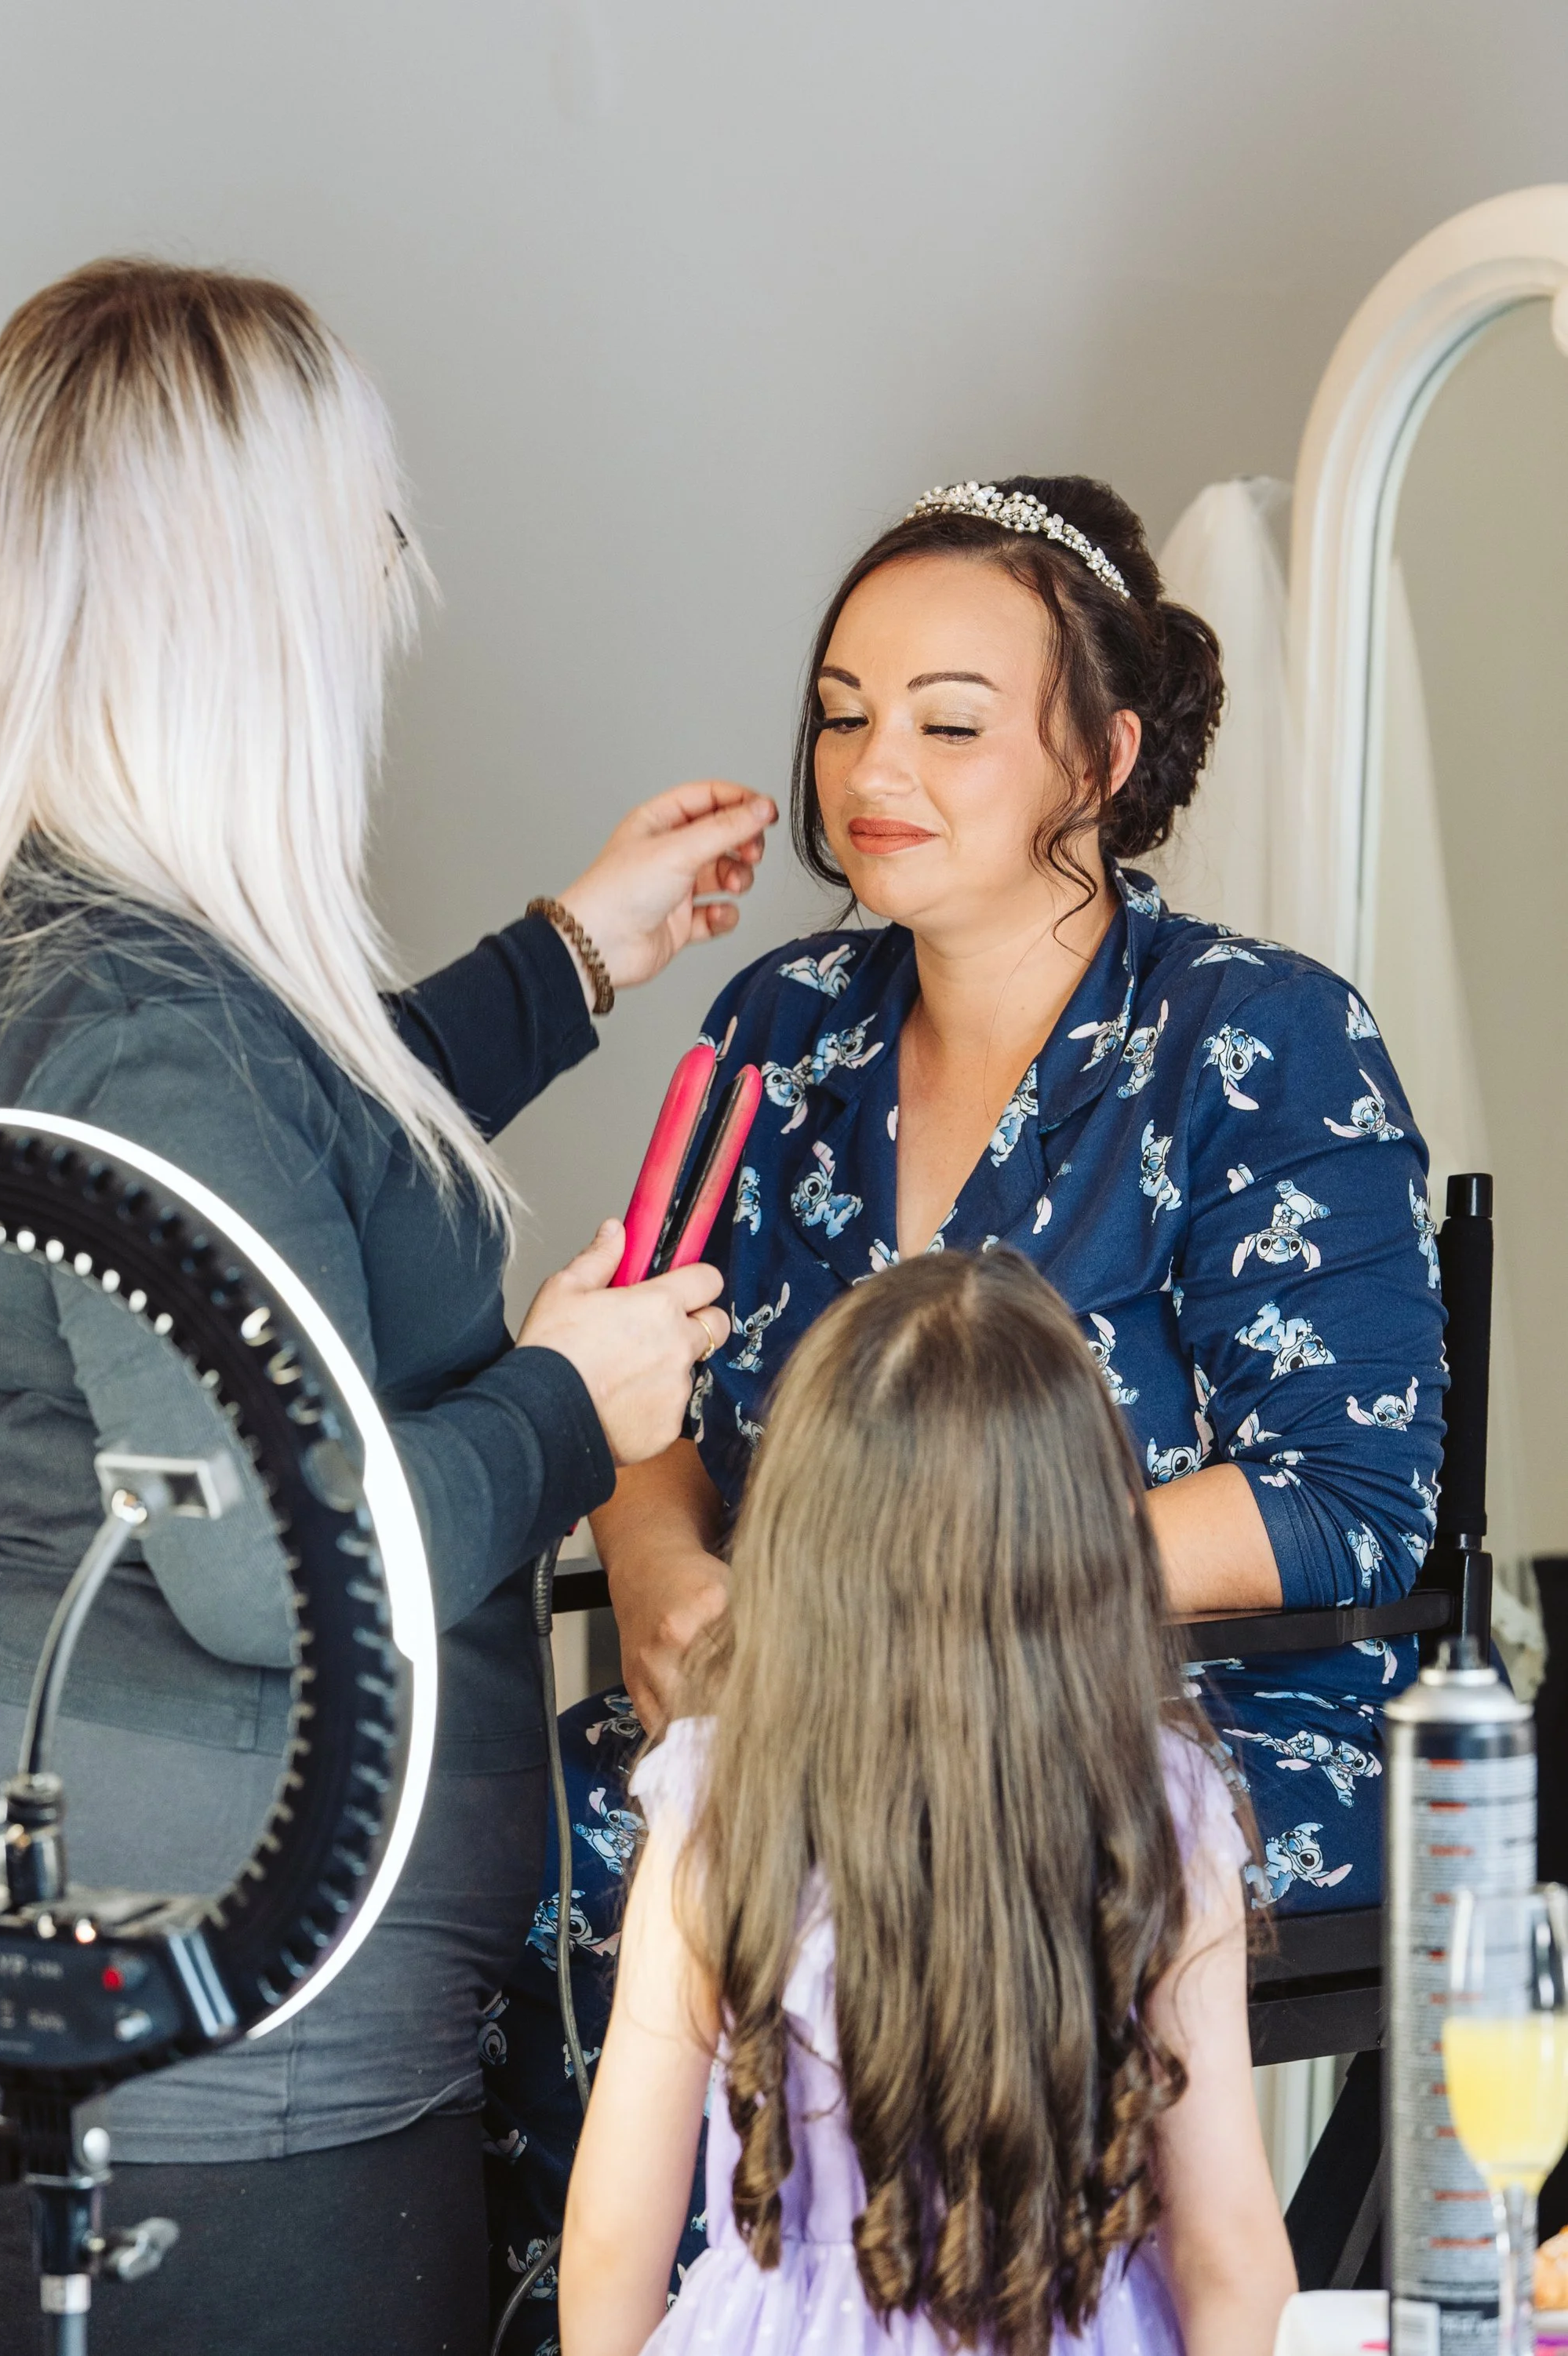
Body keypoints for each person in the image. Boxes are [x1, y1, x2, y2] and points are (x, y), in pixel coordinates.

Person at [0, 259, 777, 2356]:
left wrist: (565, 959)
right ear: (256, 592)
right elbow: (272, 1578)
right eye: (366, 537)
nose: (395, 586)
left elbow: (252, 1170)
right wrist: (575, 1397)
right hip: (201, 1992)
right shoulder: (146, 1021)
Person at [486, 475, 1444, 2315]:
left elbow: (1334, 1494)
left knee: (818, 1863)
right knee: (508, 1839)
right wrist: (679, 1571)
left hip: (1151, 1719)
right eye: (842, 711)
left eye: (945, 721)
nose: (871, 765)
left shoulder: (1255, 1039)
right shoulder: (780, 1027)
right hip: (794, 1710)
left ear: (1097, 754)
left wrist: (901, 1594)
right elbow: (645, 1360)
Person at [558, 1248, 1296, 2356]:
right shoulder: (1165, 1806)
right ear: (1092, 1552)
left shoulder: (717, 1800)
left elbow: (618, 2238)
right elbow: (1231, 2253)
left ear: (798, 1543)